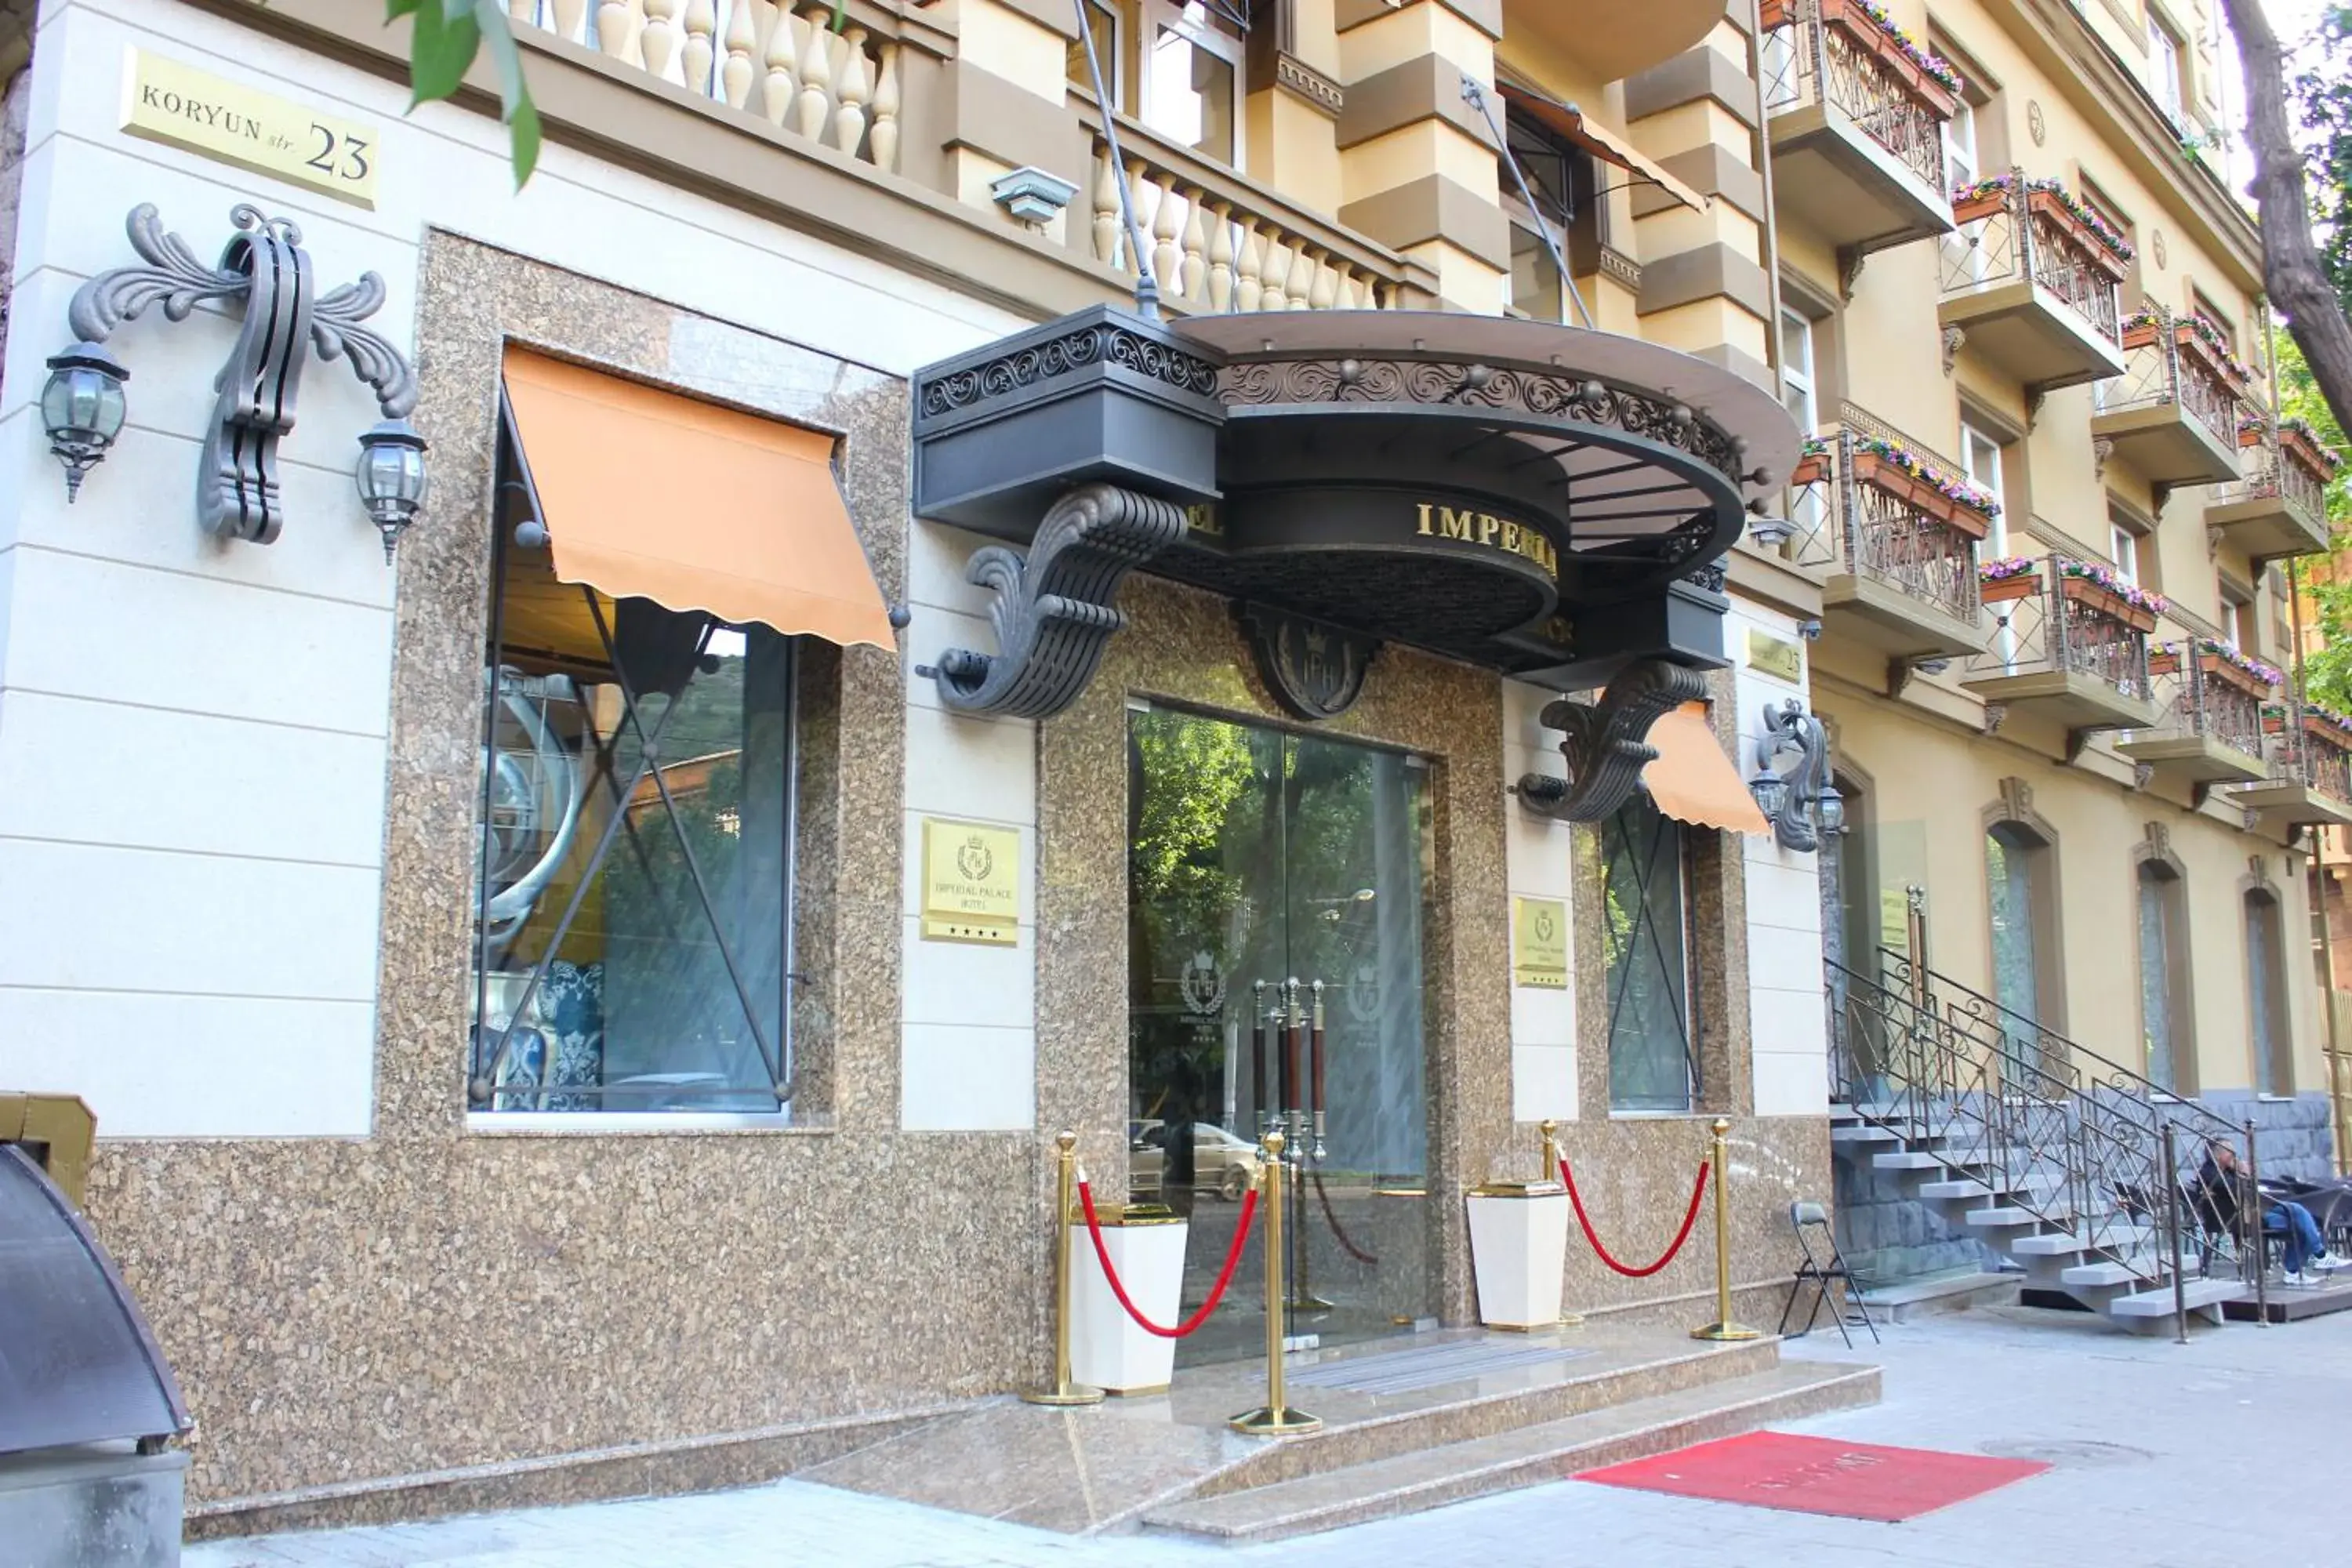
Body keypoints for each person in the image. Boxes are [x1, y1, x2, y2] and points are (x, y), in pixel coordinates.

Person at [2194, 1141, 2350, 1285]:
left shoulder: (2227, 1171)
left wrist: (2244, 1175)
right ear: (2219, 1155)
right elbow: (2237, 1189)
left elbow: (2246, 1189)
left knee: (2298, 1214)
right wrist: (2244, 1174)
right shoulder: (2209, 1172)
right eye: (2231, 1152)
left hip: (2256, 1211)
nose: (2235, 1156)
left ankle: (2304, 1266)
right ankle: (2312, 1260)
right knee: (2298, 1216)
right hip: (2241, 1217)